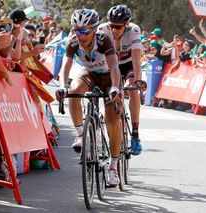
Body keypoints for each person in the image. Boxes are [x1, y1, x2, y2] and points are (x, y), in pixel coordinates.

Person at [55, 9, 122, 186]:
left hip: (109, 76)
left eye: (85, 30)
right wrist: (62, 86)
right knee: (74, 89)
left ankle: (113, 167)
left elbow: (115, 66)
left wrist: (115, 87)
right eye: (77, 30)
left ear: (94, 29)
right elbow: (65, 67)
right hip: (89, 74)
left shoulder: (103, 39)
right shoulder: (73, 41)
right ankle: (80, 134)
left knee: (113, 119)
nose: (81, 34)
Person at [98, 5, 146, 155]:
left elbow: (137, 58)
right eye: (112, 25)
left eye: (118, 27)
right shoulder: (102, 29)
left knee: (132, 89)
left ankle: (135, 134)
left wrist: (138, 81)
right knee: (113, 91)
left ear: (126, 24)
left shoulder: (134, 30)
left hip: (129, 64)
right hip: (111, 65)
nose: (114, 30)